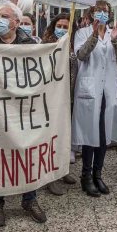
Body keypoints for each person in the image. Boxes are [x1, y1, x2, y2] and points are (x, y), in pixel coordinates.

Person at [0, 3, 44, 227]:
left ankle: (29, 199)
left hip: (22, 108)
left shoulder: (29, 43)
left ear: (16, 21)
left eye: (5, 17)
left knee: (27, 152)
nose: (0, 20)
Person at [73, 4, 117, 197]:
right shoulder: (82, 33)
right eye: (99, 11)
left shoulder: (115, 33)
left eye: (106, 11)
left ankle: (98, 174)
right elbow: (81, 55)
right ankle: (86, 176)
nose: (102, 14)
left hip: (109, 90)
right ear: (91, 14)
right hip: (91, 89)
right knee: (90, 133)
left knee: (103, 134)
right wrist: (94, 35)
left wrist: (115, 41)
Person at [41, 13, 78, 194]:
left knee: (64, 135)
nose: (62, 29)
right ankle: (50, 177)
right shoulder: (46, 44)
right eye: (60, 25)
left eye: (66, 26)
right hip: (51, 98)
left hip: (68, 96)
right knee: (51, 137)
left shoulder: (72, 43)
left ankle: (62, 169)